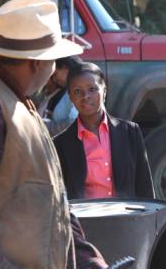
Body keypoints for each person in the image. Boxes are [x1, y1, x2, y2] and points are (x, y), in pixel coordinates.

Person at [0, 0, 107, 269]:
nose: (52, 73)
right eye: (52, 62)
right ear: (36, 63)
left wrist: (90, 264)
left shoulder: (20, 104)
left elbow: (54, 205)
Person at [54, 61, 155, 199]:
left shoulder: (130, 133)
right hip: (84, 220)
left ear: (105, 91)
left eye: (92, 89)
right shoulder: (61, 144)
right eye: (77, 91)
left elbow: (145, 186)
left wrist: (147, 218)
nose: (85, 97)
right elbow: (61, 196)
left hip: (126, 217)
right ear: (70, 97)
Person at [38, 56, 80, 136]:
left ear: (66, 69)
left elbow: (73, 123)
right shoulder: (66, 91)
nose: (55, 79)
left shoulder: (79, 90)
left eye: (55, 74)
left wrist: (46, 126)